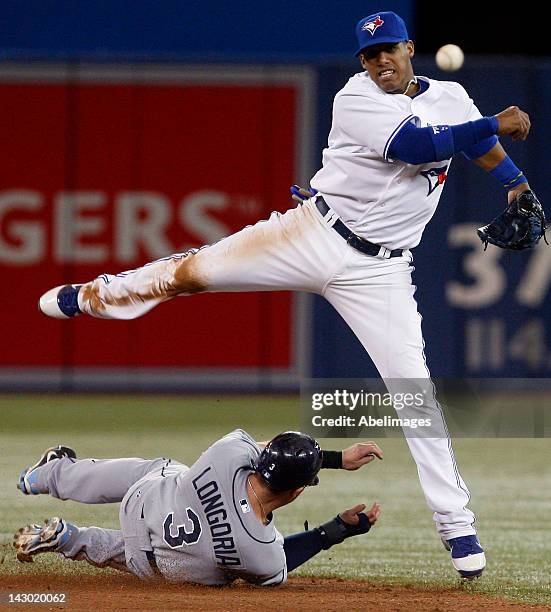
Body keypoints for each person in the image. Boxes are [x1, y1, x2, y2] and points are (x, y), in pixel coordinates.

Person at [37, 10, 534, 578]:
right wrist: (496, 121)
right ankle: (98, 296)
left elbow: (475, 146)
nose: (381, 62)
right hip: (312, 235)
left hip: (382, 273)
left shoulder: (450, 95)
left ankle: (457, 528)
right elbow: (421, 146)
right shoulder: (356, 96)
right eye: (371, 55)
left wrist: (515, 183)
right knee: (191, 272)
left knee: (414, 395)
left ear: (410, 48)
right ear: (362, 63)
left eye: (390, 50)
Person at [14, 432, 382, 586]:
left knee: (163, 470)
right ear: (299, 490)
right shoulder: (262, 553)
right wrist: (335, 530)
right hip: (153, 564)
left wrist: (334, 457)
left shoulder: (229, 455)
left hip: (142, 505)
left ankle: (48, 475)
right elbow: (285, 558)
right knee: (199, 566)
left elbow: (263, 445)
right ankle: (71, 539)